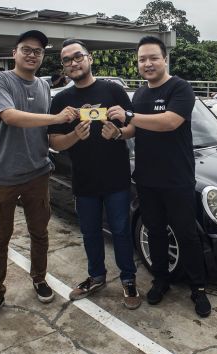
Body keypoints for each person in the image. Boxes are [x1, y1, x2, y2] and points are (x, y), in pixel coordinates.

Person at [0, 30, 79, 326]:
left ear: (42, 57)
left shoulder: (45, 87)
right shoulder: (1, 80)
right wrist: (57, 119)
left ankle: (39, 280)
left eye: (38, 51)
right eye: (27, 49)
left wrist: (72, 132)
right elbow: (10, 116)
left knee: (40, 233)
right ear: (15, 52)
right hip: (3, 176)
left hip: (37, 173)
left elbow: (47, 135)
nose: (32, 54)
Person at [107, 36, 211, 317]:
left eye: (153, 57)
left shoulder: (180, 87)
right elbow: (133, 130)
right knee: (155, 232)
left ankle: (198, 288)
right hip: (147, 178)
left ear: (165, 59)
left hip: (177, 178)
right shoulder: (140, 95)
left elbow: (169, 121)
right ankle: (161, 280)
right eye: (142, 59)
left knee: (187, 234)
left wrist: (129, 116)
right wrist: (117, 131)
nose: (148, 63)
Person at [47, 39, 141, 309]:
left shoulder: (113, 90)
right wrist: (75, 136)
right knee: (89, 232)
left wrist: (119, 133)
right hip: (84, 179)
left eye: (78, 57)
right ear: (63, 67)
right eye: (67, 60)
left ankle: (128, 280)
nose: (74, 63)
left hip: (117, 178)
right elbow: (54, 142)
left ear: (89, 59)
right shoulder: (62, 100)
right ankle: (96, 276)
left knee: (121, 231)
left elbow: (134, 126)